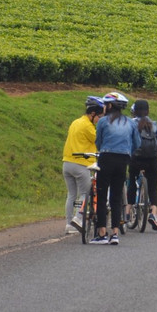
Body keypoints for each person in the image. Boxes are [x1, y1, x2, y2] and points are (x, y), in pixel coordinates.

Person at [93, 91, 139, 244]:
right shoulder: (131, 123)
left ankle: (101, 233)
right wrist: (127, 153)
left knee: (101, 194)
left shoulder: (103, 122)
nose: (104, 107)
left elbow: (98, 142)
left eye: (105, 104)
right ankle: (115, 233)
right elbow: (137, 143)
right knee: (116, 196)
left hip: (106, 158)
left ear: (110, 105)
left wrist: (104, 149)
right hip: (123, 160)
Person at [62, 95, 104, 234]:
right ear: (92, 114)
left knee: (71, 195)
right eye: (99, 116)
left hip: (67, 163)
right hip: (80, 164)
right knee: (86, 193)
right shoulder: (88, 126)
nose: (99, 120)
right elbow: (99, 140)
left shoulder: (75, 122)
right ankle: (78, 219)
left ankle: (69, 224)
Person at [127, 99, 157, 230]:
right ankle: (153, 214)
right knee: (153, 187)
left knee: (131, 181)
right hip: (152, 160)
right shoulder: (153, 124)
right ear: (148, 111)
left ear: (134, 111)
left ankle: (127, 212)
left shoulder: (131, 123)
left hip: (136, 159)